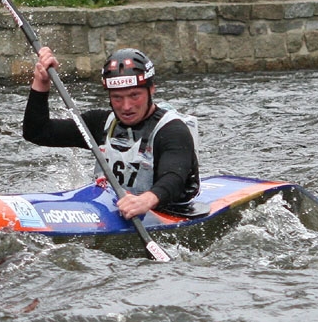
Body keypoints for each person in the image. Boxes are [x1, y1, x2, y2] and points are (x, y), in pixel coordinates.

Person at [23, 46, 200, 219]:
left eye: (134, 95)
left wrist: (146, 200)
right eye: (117, 97)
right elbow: (37, 132)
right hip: (114, 208)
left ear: (151, 89)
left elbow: (174, 177)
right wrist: (41, 83)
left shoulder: (172, 130)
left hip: (168, 210)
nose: (126, 106)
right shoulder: (100, 123)